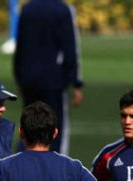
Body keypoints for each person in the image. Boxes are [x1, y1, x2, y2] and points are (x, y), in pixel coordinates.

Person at [14, 0, 83, 154]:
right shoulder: (63, 10)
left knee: (29, 124)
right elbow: (70, 47)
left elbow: (21, 46)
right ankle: (54, 168)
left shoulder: (27, 9)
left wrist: (19, 77)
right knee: (56, 127)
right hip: (54, 80)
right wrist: (76, 82)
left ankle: (22, 165)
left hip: (29, 79)